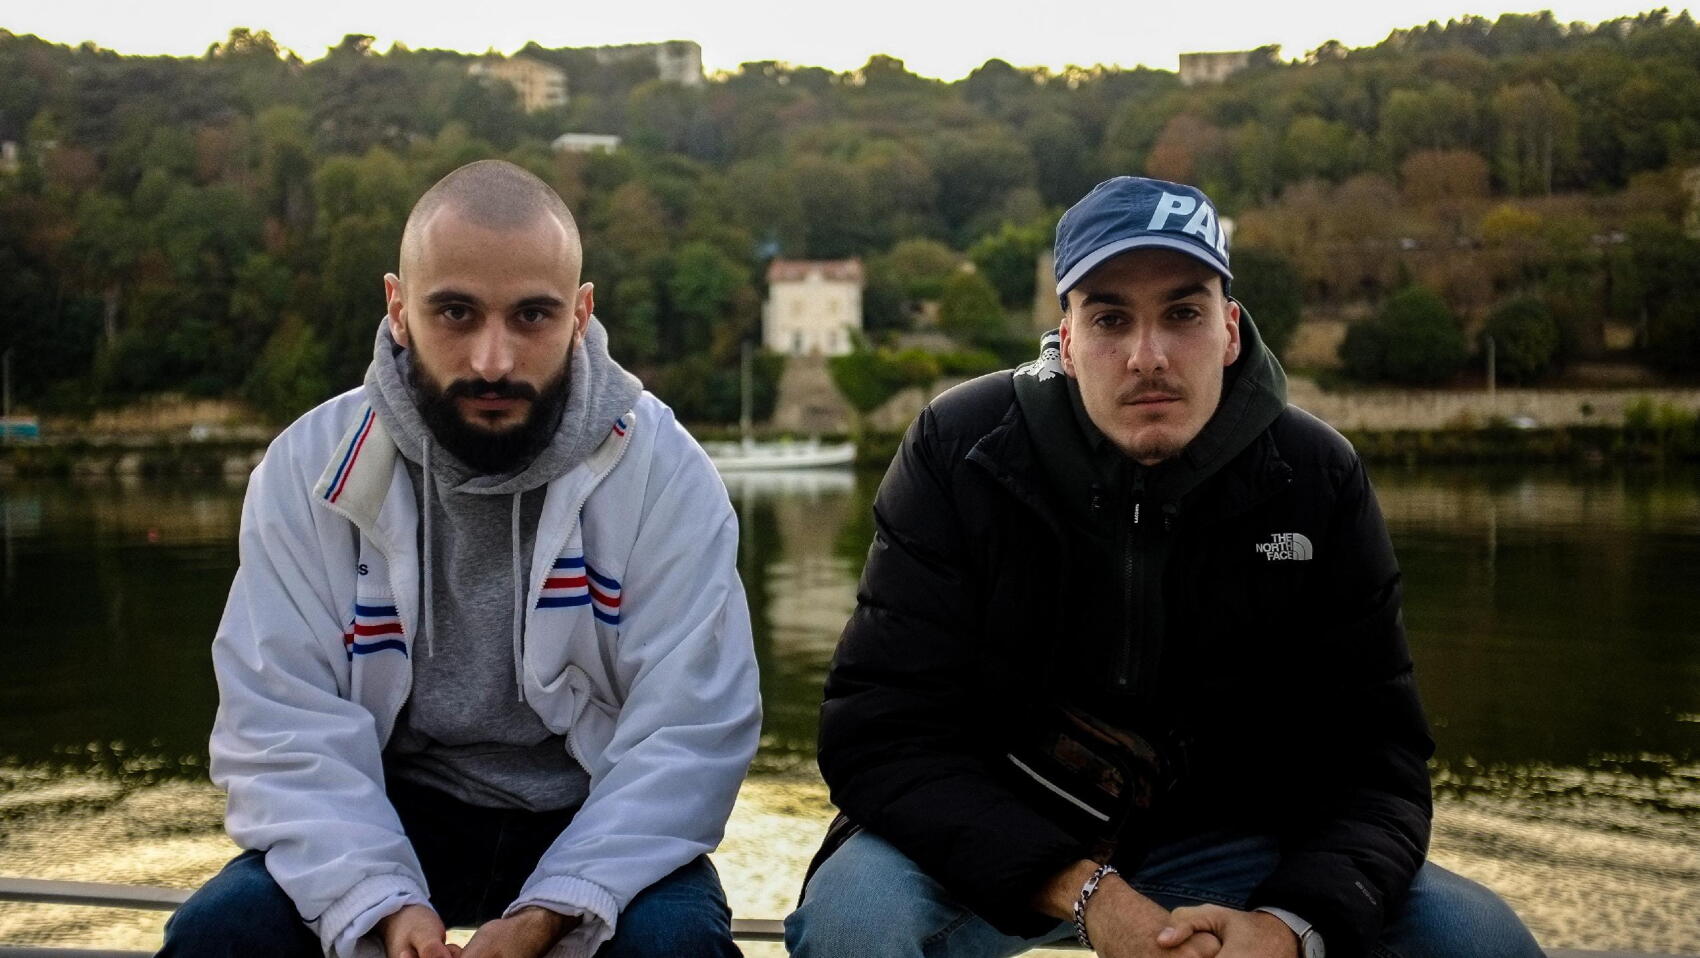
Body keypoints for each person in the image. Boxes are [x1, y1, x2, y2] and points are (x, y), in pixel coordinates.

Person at [785, 176, 1543, 958]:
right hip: (994, 834)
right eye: (1110, 318)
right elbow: (878, 731)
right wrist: (1087, 892)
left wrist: (1290, 925)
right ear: (1068, 341)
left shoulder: (1317, 477)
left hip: (1240, 844)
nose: (1147, 357)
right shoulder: (962, 450)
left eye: (1183, 314)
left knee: (1479, 938)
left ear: (1230, 331)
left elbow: (1378, 762)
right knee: (855, 924)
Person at [160, 160, 760, 958]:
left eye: (532, 316)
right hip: (387, 804)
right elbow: (283, 727)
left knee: (674, 946)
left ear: (581, 314)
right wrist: (380, 903)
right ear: (398, 308)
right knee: (217, 935)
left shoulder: (663, 474)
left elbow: (687, 733)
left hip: (598, 808)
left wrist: (552, 909)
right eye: (455, 312)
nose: (492, 361)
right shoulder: (309, 470)